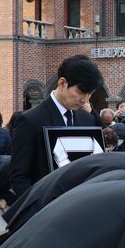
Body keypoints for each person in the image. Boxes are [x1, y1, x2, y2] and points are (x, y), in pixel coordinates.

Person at [8, 56, 103, 204]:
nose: (85, 100)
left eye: (90, 94)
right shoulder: (31, 120)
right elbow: (19, 177)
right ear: (62, 83)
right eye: (80, 92)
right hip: (46, 210)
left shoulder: (87, 119)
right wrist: (39, 207)